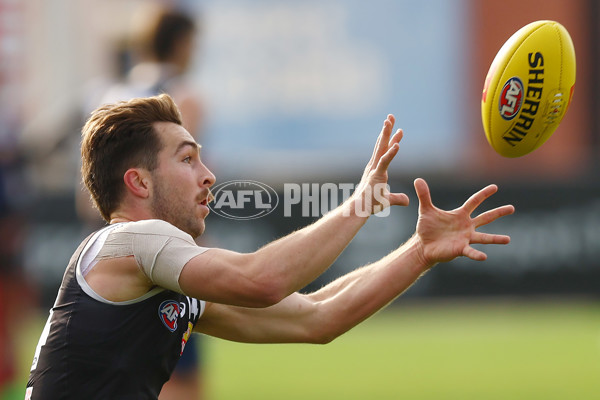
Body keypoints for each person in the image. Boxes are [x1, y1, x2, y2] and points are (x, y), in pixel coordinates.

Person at [25, 94, 514, 399]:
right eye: (188, 158)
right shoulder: (131, 239)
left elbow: (318, 316)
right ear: (139, 182)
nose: (208, 175)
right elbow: (263, 280)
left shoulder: (161, 276)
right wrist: (359, 205)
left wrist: (419, 252)